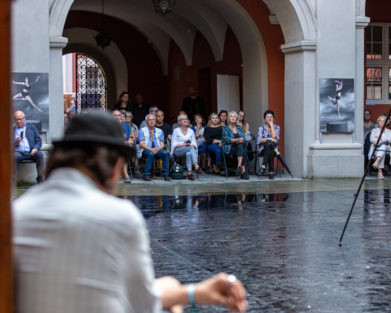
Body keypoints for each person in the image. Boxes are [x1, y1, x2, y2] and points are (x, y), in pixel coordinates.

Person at [13, 110, 248, 313]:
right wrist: (183, 295)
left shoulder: (15, 214)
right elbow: (143, 306)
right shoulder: (119, 216)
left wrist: (190, 291)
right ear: (116, 168)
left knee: (167, 284)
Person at [13, 110, 44, 183]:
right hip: (19, 153)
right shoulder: (12, 130)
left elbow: (39, 141)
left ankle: (40, 180)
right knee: (14, 156)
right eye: (16, 119)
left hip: (31, 152)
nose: (18, 121)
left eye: (20, 119)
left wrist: (35, 148)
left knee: (39, 155)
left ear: (24, 118)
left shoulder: (32, 127)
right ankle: (12, 182)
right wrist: (16, 142)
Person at [138, 114, 171, 181]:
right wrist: (151, 149)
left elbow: (162, 144)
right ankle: (146, 174)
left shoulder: (159, 131)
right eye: (149, 120)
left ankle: (166, 174)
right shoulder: (142, 130)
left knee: (165, 153)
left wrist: (157, 149)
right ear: (146, 121)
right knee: (151, 153)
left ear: (155, 121)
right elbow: (141, 144)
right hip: (146, 149)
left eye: (153, 119)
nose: (152, 121)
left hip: (157, 149)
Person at [171, 113, 202, 180]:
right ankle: (196, 165)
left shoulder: (191, 131)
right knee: (190, 148)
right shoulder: (176, 131)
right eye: (183, 119)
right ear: (179, 122)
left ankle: (189, 173)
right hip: (178, 150)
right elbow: (174, 144)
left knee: (189, 153)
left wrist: (191, 145)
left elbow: (194, 142)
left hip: (188, 149)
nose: (185, 121)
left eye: (186, 119)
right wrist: (184, 144)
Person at [223, 111, 249, 179]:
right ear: (228, 118)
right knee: (243, 150)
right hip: (229, 147)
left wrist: (240, 140)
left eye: (234, 116)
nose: (233, 118)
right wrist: (237, 140)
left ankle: (239, 166)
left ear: (236, 118)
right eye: (231, 116)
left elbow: (243, 138)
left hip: (238, 147)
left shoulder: (239, 127)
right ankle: (243, 171)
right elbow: (227, 140)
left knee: (241, 147)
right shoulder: (225, 128)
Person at [257, 110, 280, 180]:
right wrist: (270, 139)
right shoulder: (261, 128)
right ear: (265, 119)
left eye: (271, 117)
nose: (269, 118)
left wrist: (272, 126)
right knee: (268, 145)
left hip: (274, 149)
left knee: (269, 146)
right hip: (262, 150)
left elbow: (275, 137)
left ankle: (263, 166)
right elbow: (259, 140)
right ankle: (271, 172)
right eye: (267, 117)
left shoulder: (277, 127)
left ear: (273, 119)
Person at [369, 115, 391, 179]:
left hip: (387, 148)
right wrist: (382, 140)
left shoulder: (389, 131)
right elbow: (371, 139)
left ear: (387, 122)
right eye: (381, 121)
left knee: (383, 146)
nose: (382, 122)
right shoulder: (374, 130)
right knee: (382, 150)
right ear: (378, 122)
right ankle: (379, 171)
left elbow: (390, 140)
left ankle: (377, 162)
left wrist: (379, 139)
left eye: (384, 121)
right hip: (376, 148)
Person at [113, 110, 132, 183]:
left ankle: (125, 174)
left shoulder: (125, 125)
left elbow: (126, 137)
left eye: (118, 115)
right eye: (115, 115)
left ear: (121, 117)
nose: (117, 117)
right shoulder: (109, 124)